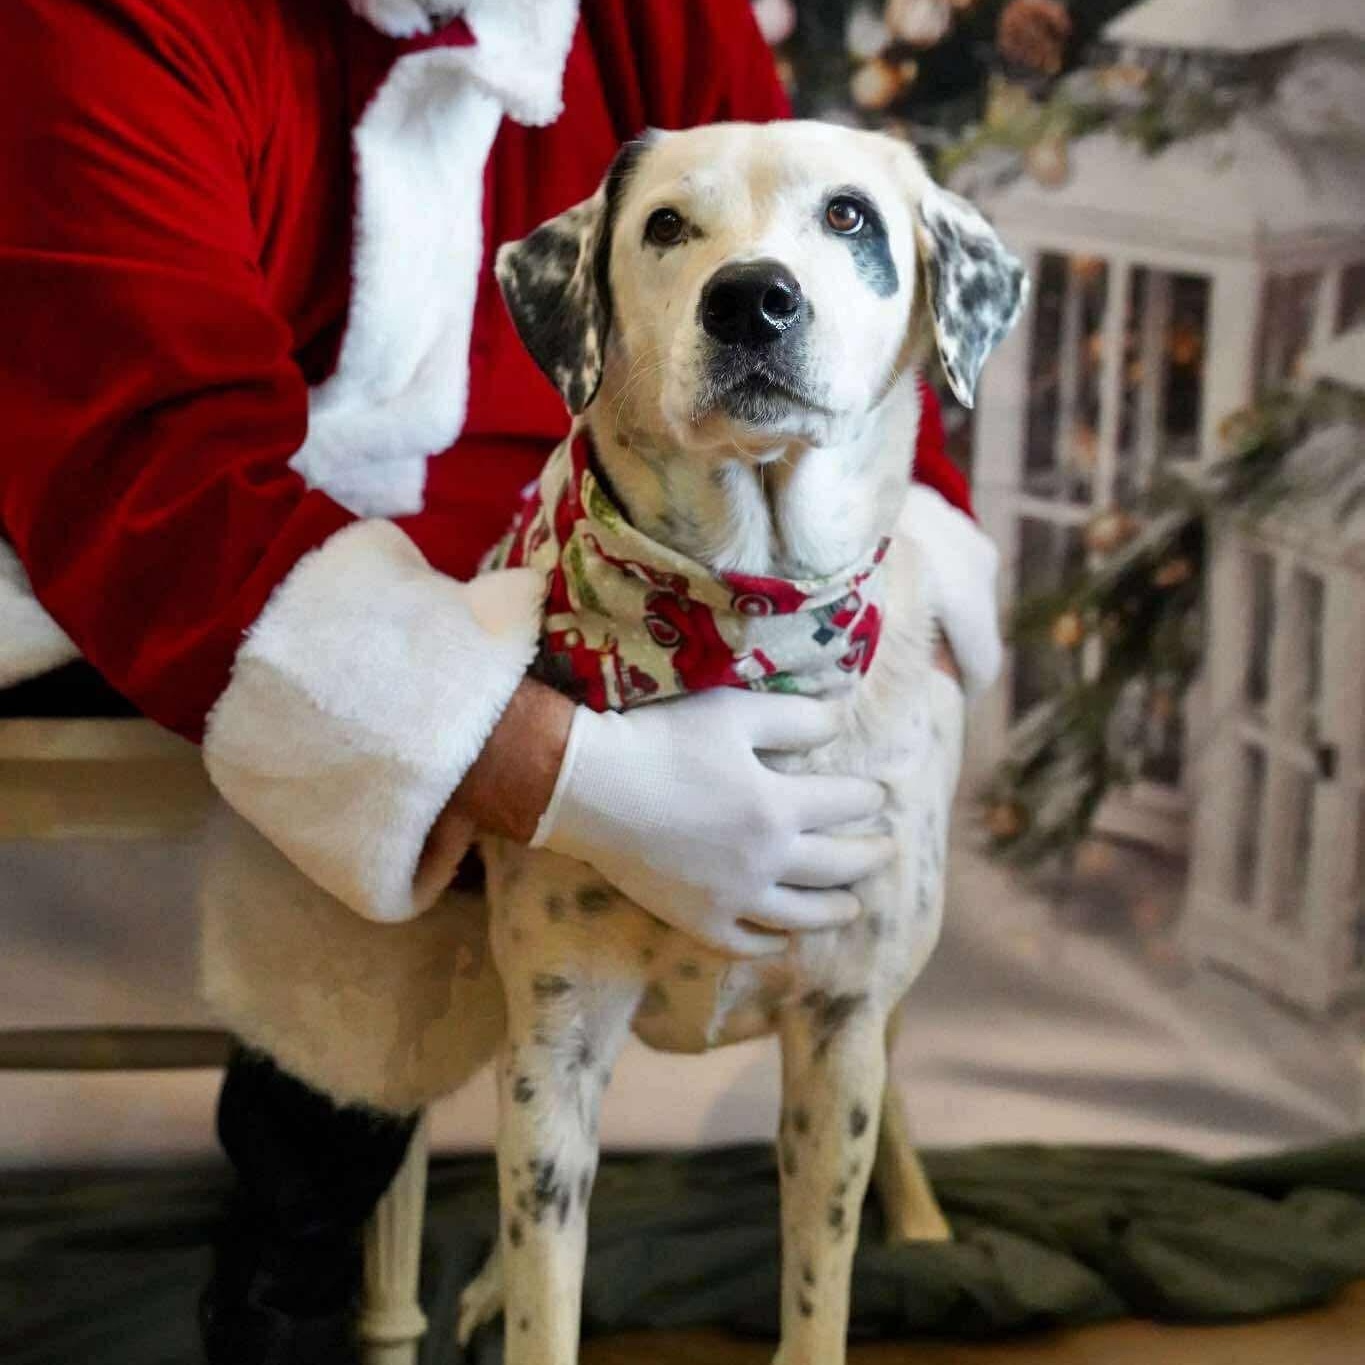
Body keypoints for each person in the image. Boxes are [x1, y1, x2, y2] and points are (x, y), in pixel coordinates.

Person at [0, 2, 1003, 1361]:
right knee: (353, 827)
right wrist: (551, 765)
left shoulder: (662, 17)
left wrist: (910, 627)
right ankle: (283, 1290)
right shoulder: (101, 24)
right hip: (194, 549)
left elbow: (849, 322)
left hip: (603, 547)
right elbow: (148, 464)